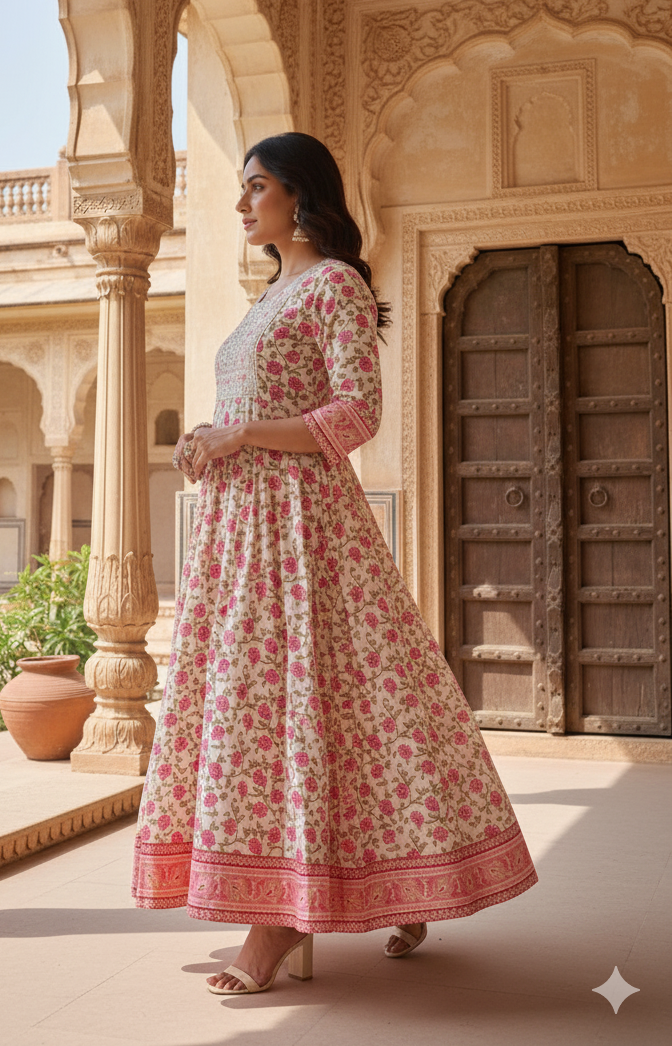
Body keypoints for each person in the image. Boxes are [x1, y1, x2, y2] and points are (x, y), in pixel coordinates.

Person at [131, 132, 537, 995]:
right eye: (242, 189)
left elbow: (356, 414)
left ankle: (278, 925)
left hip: (303, 533)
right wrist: (208, 439)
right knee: (267, 712)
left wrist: (243, 434)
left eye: (258, 187)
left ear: (300, 195)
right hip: (241, 532)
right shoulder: (268, 297)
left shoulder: (334, 286)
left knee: (317, 708)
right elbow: (252, 409)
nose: (243, 203)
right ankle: (384, 885)